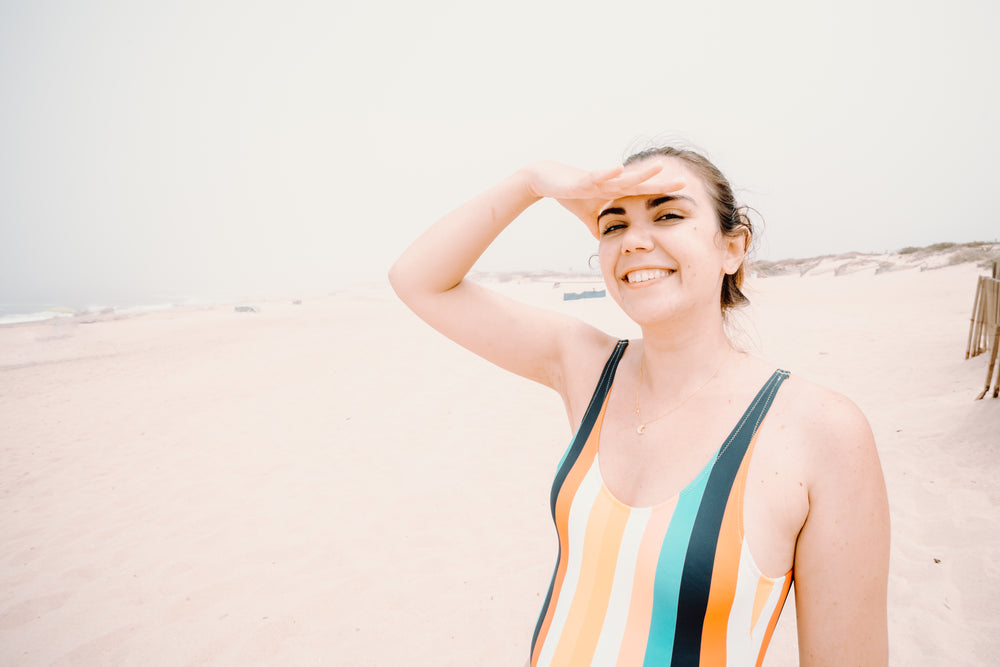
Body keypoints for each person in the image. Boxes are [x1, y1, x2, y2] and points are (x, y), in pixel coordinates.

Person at [388, 145, 890, 666]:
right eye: (613, 225)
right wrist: (530, 182)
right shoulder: (588, 368)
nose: (634, 241)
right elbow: (418, 280)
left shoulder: (818, 429)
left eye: (668, 214)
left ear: (732, 248)